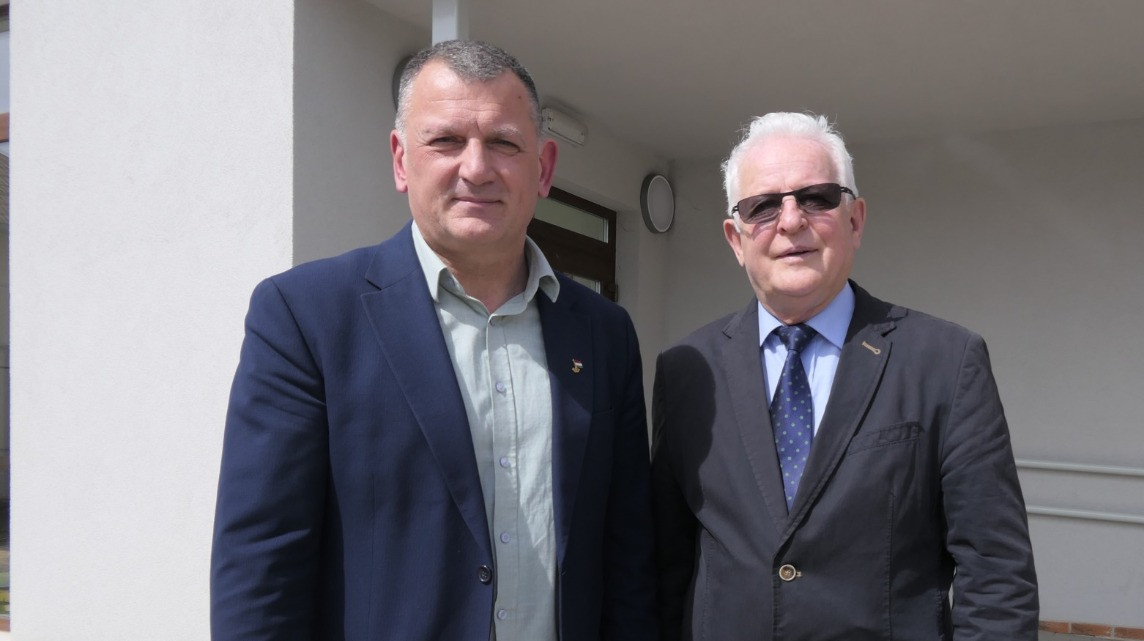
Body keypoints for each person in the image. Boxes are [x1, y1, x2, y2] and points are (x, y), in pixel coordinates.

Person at [211, 40, 655, 641]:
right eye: (445, 140)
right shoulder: (306, 317)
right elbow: (261, 564)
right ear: (401, 160)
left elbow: (627, 558)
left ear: (544, 167)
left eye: (504, 143)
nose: (476, 168)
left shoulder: (604, 333)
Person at [652, 112, 1039, 640]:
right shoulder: (686, 371)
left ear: (855, 220)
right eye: (763, 206)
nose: (791, 221)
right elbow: (665, 564)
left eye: (816, 197)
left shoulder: (946, 362)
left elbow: (995, 575)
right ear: (736, 240)